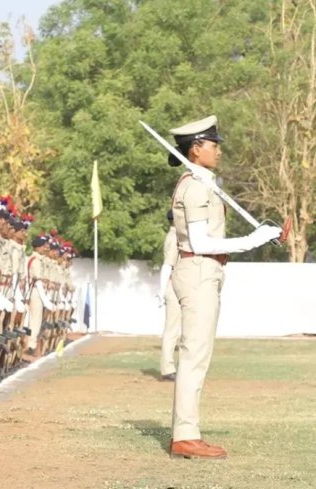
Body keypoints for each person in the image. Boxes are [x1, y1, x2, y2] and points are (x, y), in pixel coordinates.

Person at [166, 115, 280, 459]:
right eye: (213, 145)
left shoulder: (202, 182)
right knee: (194, 356)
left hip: (204, 271)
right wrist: (252, 240)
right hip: (199, 268)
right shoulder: (197, 186)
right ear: (196, 148)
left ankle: (187, 431)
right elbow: (201, 242)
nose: (218, 151)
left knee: (198, 355)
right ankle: (185, 435)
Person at [158, 210, 180, 382]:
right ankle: (167, 368)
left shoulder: (175, 236)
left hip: (178, 284)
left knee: (176, 328)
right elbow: (167, 266)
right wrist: (161, 289)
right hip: (173, 286)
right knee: (172, 328)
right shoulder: (174, 238)